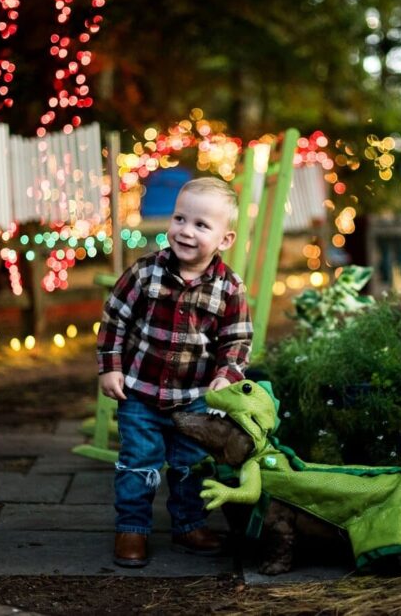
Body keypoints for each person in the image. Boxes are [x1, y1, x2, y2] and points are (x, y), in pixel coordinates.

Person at [96, 177, 253, 568]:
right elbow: (114, 319)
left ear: (225, 239)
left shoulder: (229, 288)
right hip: (141, 393)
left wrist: (226, 376)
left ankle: (189, 524)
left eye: (202, 225)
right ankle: (132, 528)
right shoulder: (146, 273)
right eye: (180, 218)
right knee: (137, 463)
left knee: (191, 466)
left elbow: (236, 340)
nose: (186, 230)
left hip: (195, 400)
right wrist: (110, 368)